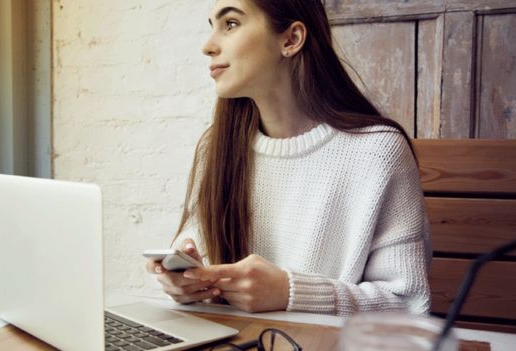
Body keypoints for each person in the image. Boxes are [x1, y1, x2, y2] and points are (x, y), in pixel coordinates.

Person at [146, 0, 431, 317]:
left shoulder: (377, 152)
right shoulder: (217, 147)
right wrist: (186, 283)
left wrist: (290, 292)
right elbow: (195, 251)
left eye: (230, 24)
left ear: (291, 39)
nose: (208, 46)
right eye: (211, 27)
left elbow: (407, 304)